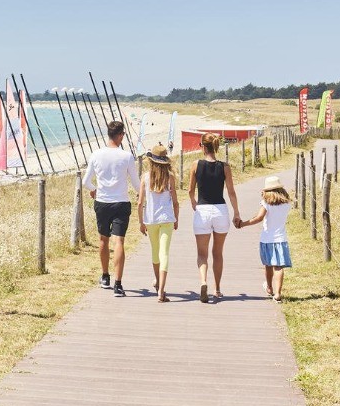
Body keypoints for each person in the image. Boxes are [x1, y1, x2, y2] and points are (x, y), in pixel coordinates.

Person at [82, 120, 140, 297]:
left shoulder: (96, 154)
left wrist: (94, 189)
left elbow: (85, 182)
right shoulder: (127, 156)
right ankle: (118, 284)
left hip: (102, 202)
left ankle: (105, 276)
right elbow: (136, 184)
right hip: (121, 202)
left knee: (103, 240)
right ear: (121, 135)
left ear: (109, 134)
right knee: (119, 242)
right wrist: (143, 195)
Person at [187, 133, 241, 303]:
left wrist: (193, 202)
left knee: (202, 254)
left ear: (203, 146)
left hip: (203, 210)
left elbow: (190, 190)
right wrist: (236, 212)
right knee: (218, 253)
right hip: (220, 211)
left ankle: (203, 281)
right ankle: (217, 289)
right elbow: (231, 192)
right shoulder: (225, 167)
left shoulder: (196, 165)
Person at [236, 175, 293, 301]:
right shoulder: (286, 204)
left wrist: (243, 224)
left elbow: (259, 218)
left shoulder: (266, 203)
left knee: (268, 265)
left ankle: (269, 287)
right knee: (278, 267)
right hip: (281, 239)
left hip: (267, 239)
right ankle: (278, 293)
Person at [137, 144, 178, 302]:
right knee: (164, 253)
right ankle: (161, 290)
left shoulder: (145, 177)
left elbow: (140, 203)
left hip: (151, 219)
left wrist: (141, 223)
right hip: (167, 219)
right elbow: (175, 202)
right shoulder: (170, 177)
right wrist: (176, 219)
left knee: (155, 251)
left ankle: (158, 283)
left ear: (151, 161)